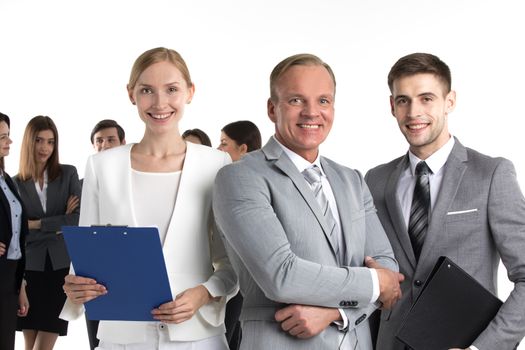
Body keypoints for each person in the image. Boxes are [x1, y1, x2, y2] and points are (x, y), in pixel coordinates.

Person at [213, 53, 403, 350]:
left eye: (323, 101)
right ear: (272, 108)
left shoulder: (352, 179)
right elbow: (282, 275)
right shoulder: (240, 177)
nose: (312, 112)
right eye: (296, 100)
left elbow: (387, 264)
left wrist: (336, 313)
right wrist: (376, 284)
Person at [60, 47, 237, 350]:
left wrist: (204, 293)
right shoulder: (101, 166)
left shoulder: (216, 165)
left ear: (190, 92)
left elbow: (231, 265)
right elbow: (87, 258)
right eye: (146, 90)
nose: (159, 103)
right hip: (122, 337)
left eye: (171, 89)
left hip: (196, 336)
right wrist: (75, 287)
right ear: (131, 94)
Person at [365, 52, 525, 350]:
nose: (414, 112)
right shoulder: (375, 180)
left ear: (449, 101)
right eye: (403, 100)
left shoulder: (491, 174)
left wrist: (482, 348)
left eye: (426, 98)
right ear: (392, 106)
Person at [15, 115, 81, 349]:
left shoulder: (68, 174)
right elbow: (16, 230)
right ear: (29, 143)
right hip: (28, 267)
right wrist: (56, 225)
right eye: (39, 141)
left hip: (60, 266)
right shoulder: (15, 183)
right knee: (29, 337)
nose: (45, 148)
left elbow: (74, 221)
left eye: (51, 142)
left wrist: (34, 224)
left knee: (46, 337)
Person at [216, 120, 262, 350]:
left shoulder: (249, 183)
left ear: (243, 148)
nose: (218, 149)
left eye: (224, 143)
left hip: (243, 277)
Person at [84, 118, 126, 350]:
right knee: (97, 336)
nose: (105, 145)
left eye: (111, 139)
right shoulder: (85, 181)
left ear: (123, 142)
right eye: (99, 140)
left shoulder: (136, 175)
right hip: (94, 270)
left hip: (127, 266)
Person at [0, 112, 29, 350]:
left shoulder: (7, 179)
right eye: (2, 137)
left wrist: (21, 287)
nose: (9, 142)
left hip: (10, 277)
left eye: (8, 136)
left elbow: (17, 235)